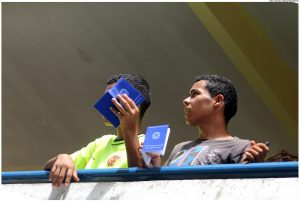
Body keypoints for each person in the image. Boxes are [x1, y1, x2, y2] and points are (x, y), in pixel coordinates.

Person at [43, 73, 151, 186]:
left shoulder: (149, 144)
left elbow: (139, 184)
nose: (102, 104)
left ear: (133, 104)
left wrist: (129, 130)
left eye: (111, 98)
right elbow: (47, 167)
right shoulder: (101, 143)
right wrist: (62, 158)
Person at [138, 74, 269, 167]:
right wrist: (154, 167)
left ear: (217, 100)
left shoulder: (241, 147)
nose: (186, 100)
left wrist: (255, 166)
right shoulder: (180, 147)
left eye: (194, 94)